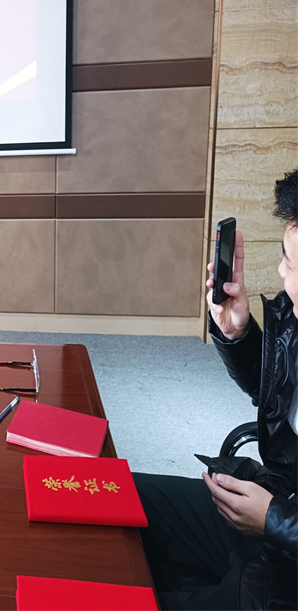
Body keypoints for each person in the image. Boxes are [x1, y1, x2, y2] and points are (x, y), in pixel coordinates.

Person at [135, 169, 297, 610]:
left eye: (289, 262)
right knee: (115, 497)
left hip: (283, 565)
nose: (280, 272)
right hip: (269, 513)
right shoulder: (294, 316)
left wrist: (274, 520)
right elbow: (275, 398)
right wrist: (238, 334)